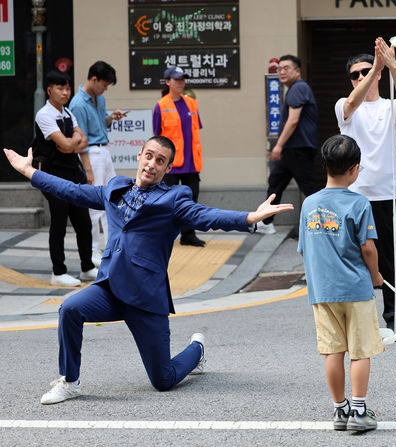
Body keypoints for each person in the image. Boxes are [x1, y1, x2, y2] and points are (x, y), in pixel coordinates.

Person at [3, 136, 294, 405]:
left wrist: (250, 217)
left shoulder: (174, 199)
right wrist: (30, 172)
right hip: (110, 288)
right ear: (139, 156)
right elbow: (72, 191)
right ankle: (69, 381)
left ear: (167, 168)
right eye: (149, 156)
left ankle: (197, 350)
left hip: (145, 299)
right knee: (70, 308)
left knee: (163, 380)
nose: (152, 165)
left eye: (160, 161)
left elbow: (207, 216)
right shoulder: (115, 188)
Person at [298, 134, 385, 432]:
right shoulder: (360, 203)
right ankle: (360, 411)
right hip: (356, 289)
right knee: (360, 351)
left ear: (325, 166)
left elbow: (304, 249)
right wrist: (375, 275)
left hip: (322, 291)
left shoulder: (309, 204)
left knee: (332, 350)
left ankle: (340, 410)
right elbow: (368, 248)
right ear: (354, 168)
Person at [335, 38, 396, 330]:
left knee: (390, 261)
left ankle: (395, 321)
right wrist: (376, 67)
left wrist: (392, 65)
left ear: (379, 74)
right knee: (355, 259)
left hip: (387, 194)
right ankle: (358, 320)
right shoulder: (345, 106)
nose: (360, 77)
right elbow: (353, 101)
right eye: (355, 74)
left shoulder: (390, 107)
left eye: (366, 71)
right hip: (353, 195)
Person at [32, 69, 96, 287]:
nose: (65, 92)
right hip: (52, 174)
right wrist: (71, 142)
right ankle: (58, 272)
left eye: (67, 88)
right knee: (59, 221)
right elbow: (69, 143)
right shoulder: (44, 115)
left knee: (83, 221)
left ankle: (87, 267)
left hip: (73, 171)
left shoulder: (68, 112)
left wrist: (72, 145)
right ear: (49, 90)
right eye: (60, 88)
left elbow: (82, 141)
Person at [69, 61, 126, 265]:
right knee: (94, 206)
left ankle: (112, 245)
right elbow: (81, 139)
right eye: (104, 84)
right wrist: (88, 169)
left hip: (104, 150)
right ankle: (94, 251)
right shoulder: (77, 103)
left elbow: (103, 122)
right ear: (94, 79)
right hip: (91, 154)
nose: (105, 88)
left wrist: (112, 117)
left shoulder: (99, 97)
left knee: (113, 198)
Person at [257, 55, 321, 235]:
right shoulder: (295, 89)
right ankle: (266, 221)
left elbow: (293, 121)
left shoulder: (298, 88)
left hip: (298, 148)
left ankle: (327, 224)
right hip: (292, 149)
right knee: (276, 182)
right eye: (279, 69)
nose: (282, 72)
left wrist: (278, 145)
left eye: (286, 68)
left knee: (310, 188)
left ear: (298, 71)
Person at [153, 66, 206, 247]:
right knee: (167, 201)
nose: (180, 83)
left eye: (183, 79)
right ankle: (164, 234)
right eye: (176, 79)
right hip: (171, 164)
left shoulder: (191, 103)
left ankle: (188, 235)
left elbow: (195, 131)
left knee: (191, 200)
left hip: (191, 162)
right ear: (167, 82)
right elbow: (157, 137)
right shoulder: (161, 105)